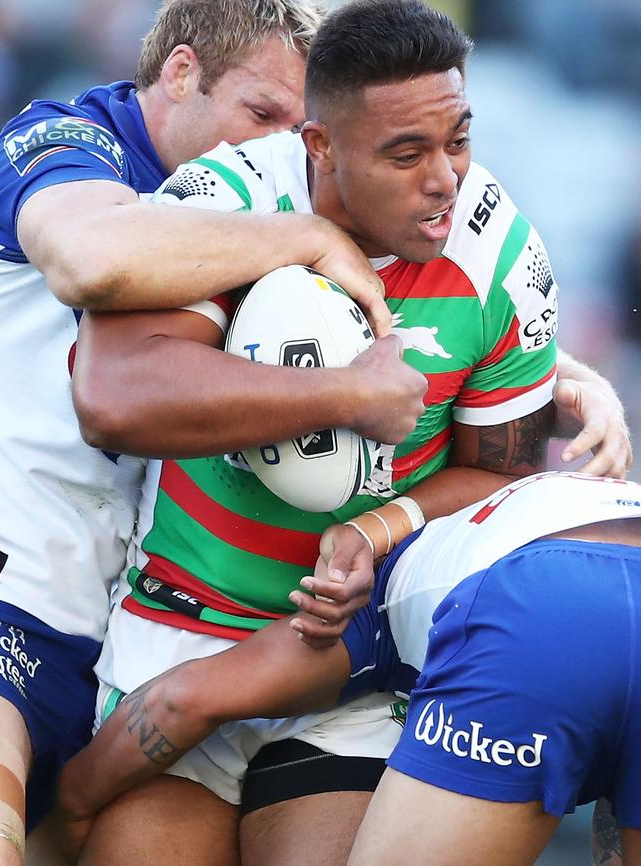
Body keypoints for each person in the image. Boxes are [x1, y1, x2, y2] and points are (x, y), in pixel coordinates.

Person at [68, 3, 630, 865]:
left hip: (350, 665)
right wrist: (341, 396)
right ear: (321, 146)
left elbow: (497, 473)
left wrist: (377, 528)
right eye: (406, 153)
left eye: (459, 139)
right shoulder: (227, 199)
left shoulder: (503, 253)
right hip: (179, 629)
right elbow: (113, 394)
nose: (444, 178)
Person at [0, 2, 435, 863]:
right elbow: (90, 256)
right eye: (261, 115)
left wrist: (565, 383)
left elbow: (434, 353)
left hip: (116, 646)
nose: (275, 148)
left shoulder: (268, 202)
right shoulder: (73, 144)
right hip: (9, 582)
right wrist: (302, 235)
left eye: (299, 130)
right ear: (183, 74)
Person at [56, 470, 641, 866]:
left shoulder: (371, 604)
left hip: (540, 602)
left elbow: (183, 700)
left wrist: (70, 807)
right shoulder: (519, 500)